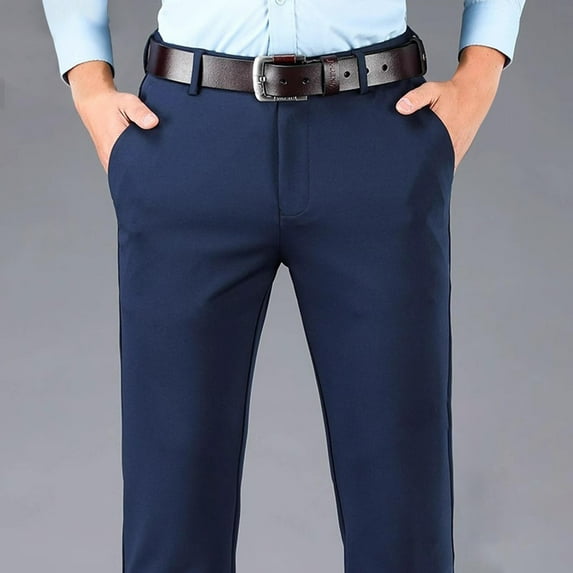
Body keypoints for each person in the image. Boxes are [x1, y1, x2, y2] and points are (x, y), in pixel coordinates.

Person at [42, 2, 526, 572]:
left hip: (374, 130)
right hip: (188, 135)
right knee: (172, 502)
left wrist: (479, 76)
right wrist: (89, 83)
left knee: (402, 510)